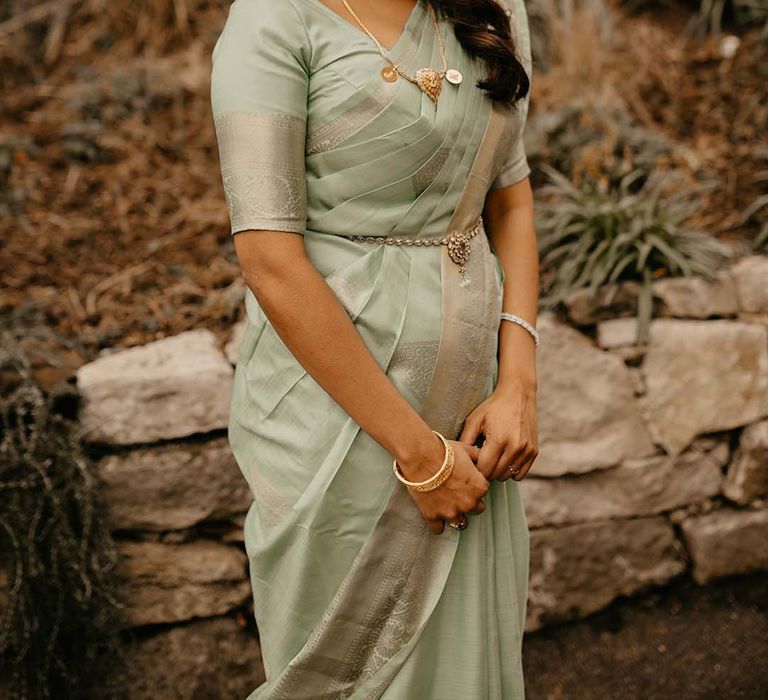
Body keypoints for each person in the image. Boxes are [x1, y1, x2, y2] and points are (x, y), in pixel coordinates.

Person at [210, 0, 540, 696]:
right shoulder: (274, 20)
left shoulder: (490, 8)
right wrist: (420, 457)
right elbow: (269, 257)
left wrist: (518, 383)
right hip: (334, 412)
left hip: (471, 400)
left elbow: (510, 201)